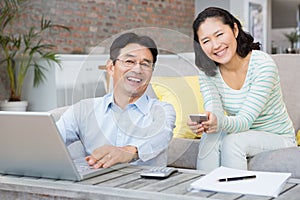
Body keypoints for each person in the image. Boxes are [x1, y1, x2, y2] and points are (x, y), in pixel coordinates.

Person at [188, 7, 297, 172]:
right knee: (209, 138)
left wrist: (218, 123)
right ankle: (205, 194)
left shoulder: (262, 65)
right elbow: (214, 108)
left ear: (235, 29)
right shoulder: (207, 70)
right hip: (241, 132)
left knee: (233, 142)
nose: (215, 45)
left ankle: (237, 195)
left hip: (277, 137)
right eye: (206, 41)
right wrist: (207, 122)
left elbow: (245, 121)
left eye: (219, 35)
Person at [56, 32, 176, 169]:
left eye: (145, 64)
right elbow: (50, 139)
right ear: (110, 68)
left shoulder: (162, 110)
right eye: (129, 61)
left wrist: (128, 151)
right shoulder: (84, 109)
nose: (137, 69)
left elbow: (162, 135)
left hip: (144, 187)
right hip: (95, 184)